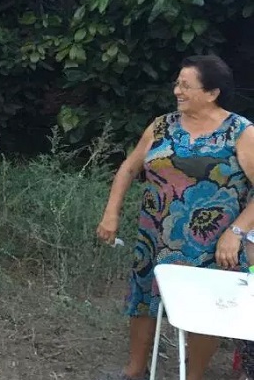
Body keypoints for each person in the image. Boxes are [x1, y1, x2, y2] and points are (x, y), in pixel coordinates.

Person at [96, 55, 254, 380]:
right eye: (177, 83)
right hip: (155, 235)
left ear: (212, 92)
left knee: (205, 312)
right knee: (142, 300)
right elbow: (129, 168)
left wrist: (237, 232)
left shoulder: (240, 131)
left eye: (186, 85)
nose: (177, 91)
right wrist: (111, 212)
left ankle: (192, 376)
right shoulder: (161, 125)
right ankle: (134, 371)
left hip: (212, 244)